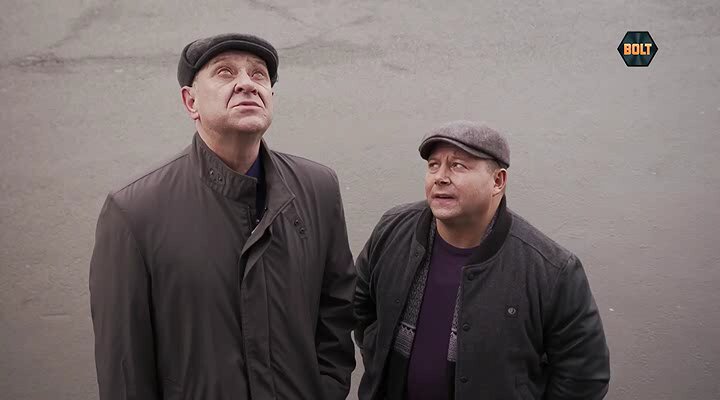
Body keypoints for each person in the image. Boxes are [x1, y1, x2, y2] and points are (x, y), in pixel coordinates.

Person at [89, 33, 356, 400]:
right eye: (225, 72)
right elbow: (125, 369)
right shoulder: (134, 211)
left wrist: (324, 391)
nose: (247, 83)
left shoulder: (318, 189)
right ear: (191, 101)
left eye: (259, 74)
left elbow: (337, 312)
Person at [354, 120, 610, 400]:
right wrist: (380, 360)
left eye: (457, 166)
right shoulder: (392, 231)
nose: (440, 177)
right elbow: (360, 309)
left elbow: (584, 376)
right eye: (433, 165)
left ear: (497, 181)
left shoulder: (551, 269)